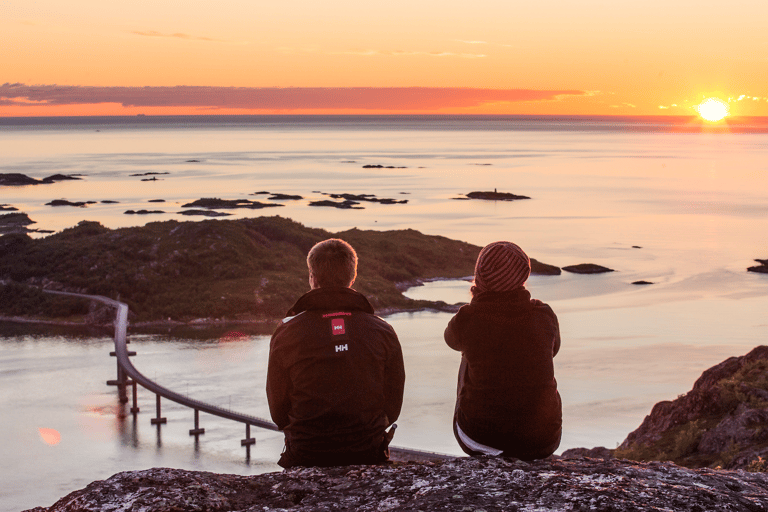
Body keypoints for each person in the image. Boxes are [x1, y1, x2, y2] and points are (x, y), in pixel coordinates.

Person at [266, 238, 405, 468]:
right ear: (353, 277)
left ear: (312, 277)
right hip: (367, 453)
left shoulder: (286, 332)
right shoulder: (383, 330)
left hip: (305, 454)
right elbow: (393, 405)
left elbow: (278, 410)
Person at [444, 241, 561, 460]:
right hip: (543, 440)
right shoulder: (544, 315)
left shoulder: (468, 319)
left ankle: (487, 430)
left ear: (479, 275)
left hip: (480, 439)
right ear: (523, 276)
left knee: (467, 357)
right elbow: (553, 350)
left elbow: (450, 340)